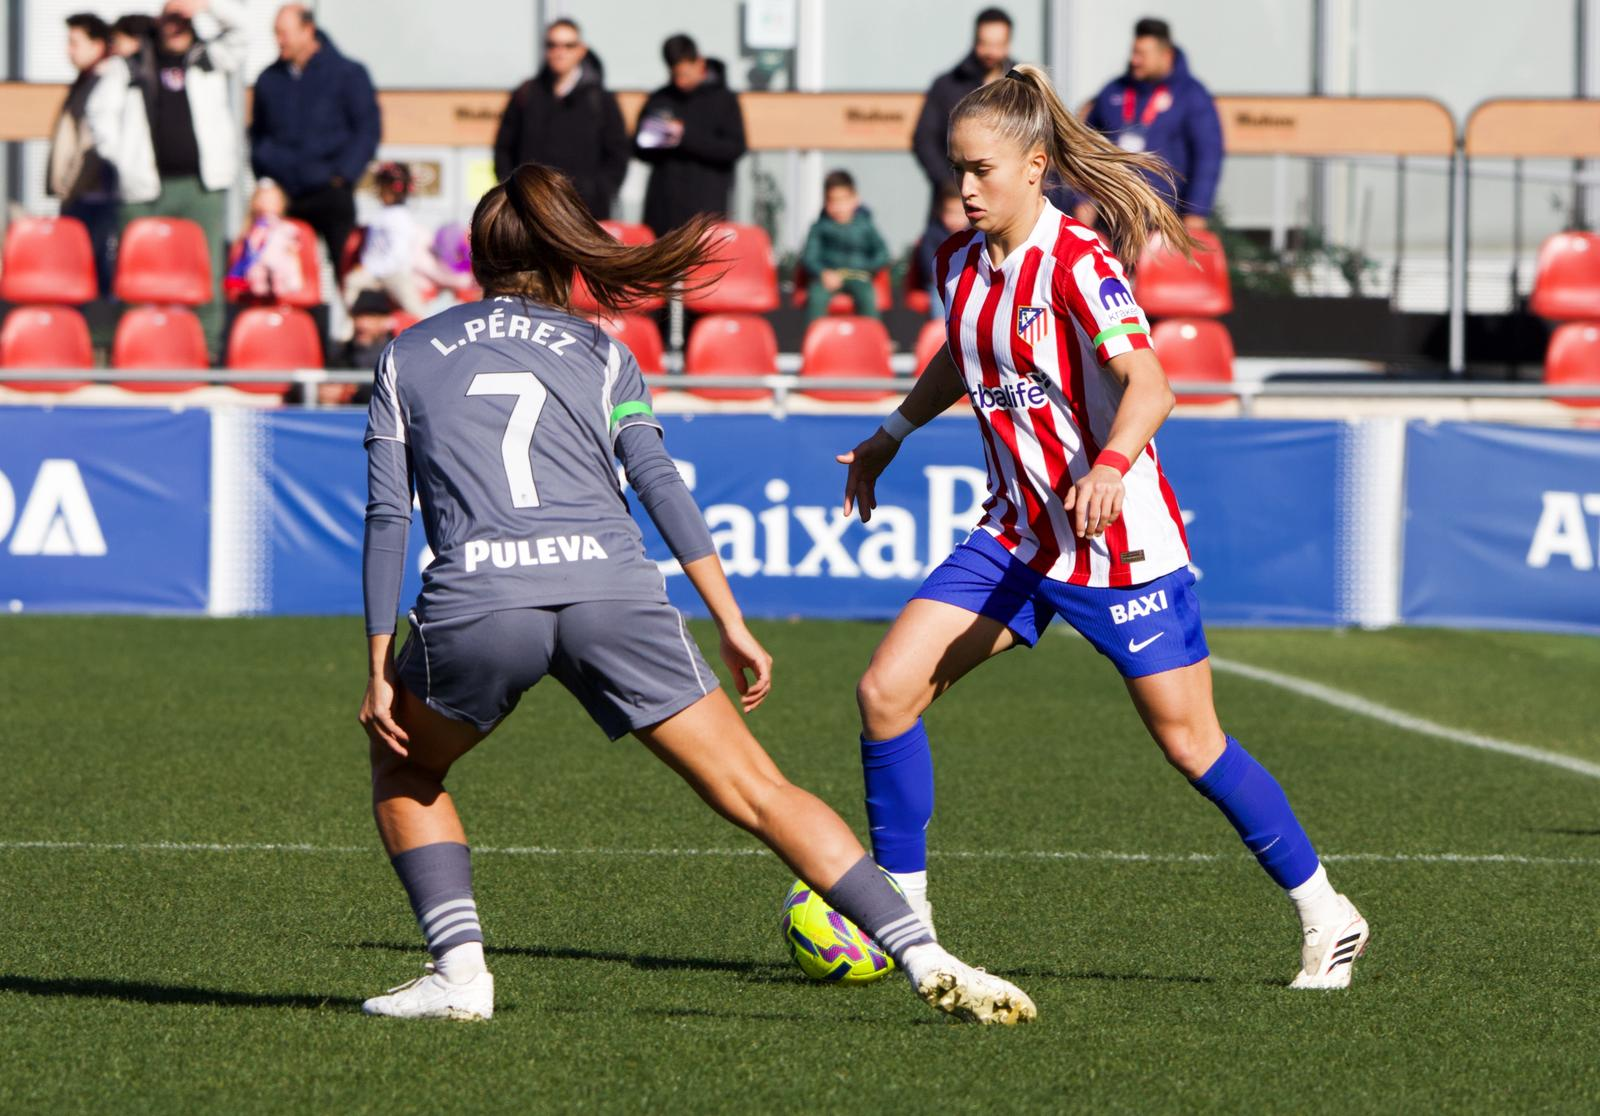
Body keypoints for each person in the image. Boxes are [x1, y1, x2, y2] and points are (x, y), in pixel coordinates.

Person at [354, 162, 1036, 1026]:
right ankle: (926, 953)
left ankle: (459, 977)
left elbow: (388, 514)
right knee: (759, 790)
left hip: (481, 600)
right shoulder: (603, 351)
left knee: (406, 767)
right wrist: (730, 618)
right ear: (562, 251)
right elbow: (660, 484)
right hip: (613, 592)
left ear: (477, 256)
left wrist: (379, 662)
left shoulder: (408, 354)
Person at [835, 65, 1369, 991]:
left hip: (1116, 546)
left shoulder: (1078, 262)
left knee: (1191, 743)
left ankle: (1329, 914)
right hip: (1016, 535)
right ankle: (908, 924)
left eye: (982, 170)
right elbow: (962, 356)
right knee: (885, 693)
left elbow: (1151, 386)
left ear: (1034, 167)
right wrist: (891, 434)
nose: (965, 187)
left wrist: (1112, 467)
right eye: (957, 169)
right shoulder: (957, 261)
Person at [86, 0, 245, 356]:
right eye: (170, 19)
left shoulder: (208, 58)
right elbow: (99, 115)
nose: (176, 27)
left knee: (205, 272)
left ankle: (206, 351)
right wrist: (124, 160)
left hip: (201, 187)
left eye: (182, 20)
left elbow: (242, 34)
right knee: (136, 275)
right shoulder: (131, 66)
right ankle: (135, 350)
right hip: (145, 190)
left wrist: (206, 7)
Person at [250, 3, 381, 270]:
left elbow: (367, 129)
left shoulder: (348, 74)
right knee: (283, 274)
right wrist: (267, 179)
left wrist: (343, 176)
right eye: (276, 33)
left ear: (307, 30)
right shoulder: (268, 80)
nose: (279, 41)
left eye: (284, 33)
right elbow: (258, 135)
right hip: (285, 198)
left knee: (348, 271)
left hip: (331, 193)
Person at [1080, 17, 1222, 234]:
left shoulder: (1192, 96)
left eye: (1142, 54)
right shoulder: (1113, 91)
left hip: (1163, 220)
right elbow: (1086, 147)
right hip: (1111, 218)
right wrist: (1083, 198)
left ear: (1166, 56)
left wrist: (1196, 212)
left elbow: (1207, 157)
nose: (1134, 60)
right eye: (1134, 52)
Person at [493, 18, 628, 220]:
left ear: (581, 50)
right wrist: (514, 191)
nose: (559, 51)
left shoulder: (601, 99)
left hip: (585, 214)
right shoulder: (526, 94)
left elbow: (618, 154)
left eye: (568, 45)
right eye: (552, 45)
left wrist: (599, 192)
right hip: (531, 210)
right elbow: (504, 148)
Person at [632, 34, 747, 238]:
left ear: (699, 63)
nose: (680, 81)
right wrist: (659, 138)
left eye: (685, 74)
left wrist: (685, 137)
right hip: (663, 212)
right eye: (675, 75)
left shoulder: (724, 100)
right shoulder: (660, 99)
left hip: (706, 210)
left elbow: (735, 148)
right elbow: (638, 148)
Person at [912, 8, 1012, 217]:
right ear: (975, 40)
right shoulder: (947, 85)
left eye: (997, 45)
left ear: (1007, 44)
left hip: (1007, 200)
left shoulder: (1020, 86)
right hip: (953, 207)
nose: (990, 52)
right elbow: (924, 140)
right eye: (985, 43)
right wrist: (951, 184)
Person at [342, 162, 470, 318]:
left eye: (384, 189)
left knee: (415, 310)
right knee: (352, 284)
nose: (381, 193)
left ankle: (426, 325)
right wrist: (367, 266)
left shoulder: (400, 218)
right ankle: (349, 324)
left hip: (395, 273)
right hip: (374, 271)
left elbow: (397, 253)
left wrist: (373, 269)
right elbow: (372, 249)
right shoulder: (381, 216)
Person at [48, 13, 116, 296]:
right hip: (79, 196)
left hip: (96, 198)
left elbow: (94, 145)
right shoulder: (83, 83)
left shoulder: (106, 87)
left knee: (97, 277)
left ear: (98, 45)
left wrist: (77, 183)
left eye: (75, 43)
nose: (69, 50)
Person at [801, 170, 889, 323]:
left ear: (855, 199)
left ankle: (872, 335)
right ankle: (814, 336)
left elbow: (883, 253)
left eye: (843, 200)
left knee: (867, 297)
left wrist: (866, 269)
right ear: (825, 202)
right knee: (816, 297)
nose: (839, 207)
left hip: (859, 278)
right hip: (829, 278)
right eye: (833, 201)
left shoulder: (866, 226)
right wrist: (823, 273)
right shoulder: (819, 228)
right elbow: (809, 257)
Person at [224, 178, 304, 303]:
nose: (268, 203)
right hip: (255, 276)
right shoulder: (250, 232)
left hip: (281, 272)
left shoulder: (286, 229)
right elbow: (243, 261)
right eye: (264, 199)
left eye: (272, 199)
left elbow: (293, 250)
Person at [913, 182, 968, 318]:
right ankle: (941, 325)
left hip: (967, 282)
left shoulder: (975, 235)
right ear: (941, 212)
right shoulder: (932, 235)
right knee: (939, 294)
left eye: (960, 213)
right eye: (950, 212)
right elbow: (929, 266)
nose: (955, 219)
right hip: (940, 283)